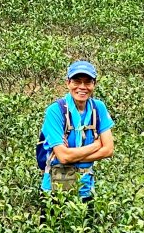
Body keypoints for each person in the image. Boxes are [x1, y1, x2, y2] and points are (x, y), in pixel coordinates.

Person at [38, 60, 115, 215]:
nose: (82, 87)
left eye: (87, 82)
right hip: (55, 187)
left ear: (94, 84)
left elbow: (108, 150)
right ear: (68, 83)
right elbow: (64, 157)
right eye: (77, 81)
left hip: (85, 187)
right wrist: (95, 146)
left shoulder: (98, 108)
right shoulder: (55, 111)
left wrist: (72, 154)